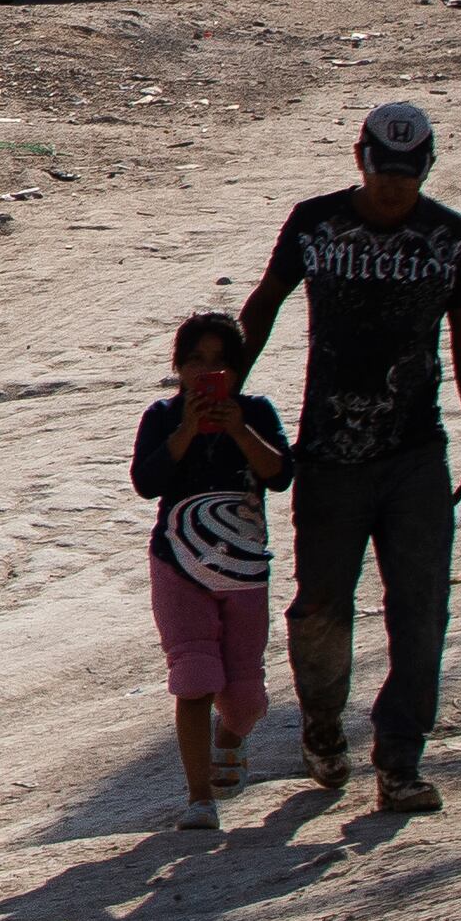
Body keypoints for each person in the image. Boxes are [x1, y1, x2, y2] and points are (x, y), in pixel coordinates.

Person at [233, 99, 461, 815]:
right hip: (327, 455)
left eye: (407, 178)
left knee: (421, 609)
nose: (393, 190)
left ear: (426, 169)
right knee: (320, 605)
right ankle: (322, 726)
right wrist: (222, 394)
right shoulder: (315, 224)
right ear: (362, 160)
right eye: (385, 174)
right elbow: (264, 304)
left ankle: (400, 756)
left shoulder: (452, 239)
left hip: (416, 453)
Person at [132, 309, 292, 830]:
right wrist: (185, 431)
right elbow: (147, 482)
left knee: (245, 696)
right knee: (194, 675)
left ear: (239, 370)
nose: (207, 372)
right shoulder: (161, 416)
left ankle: (231, 738)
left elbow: (279, 474)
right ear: (178, 366)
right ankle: (199, 798)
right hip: (177, 566)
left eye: (220, 364)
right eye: (196, 362)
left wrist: (239, 432)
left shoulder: (257, 413)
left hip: (243, 570)